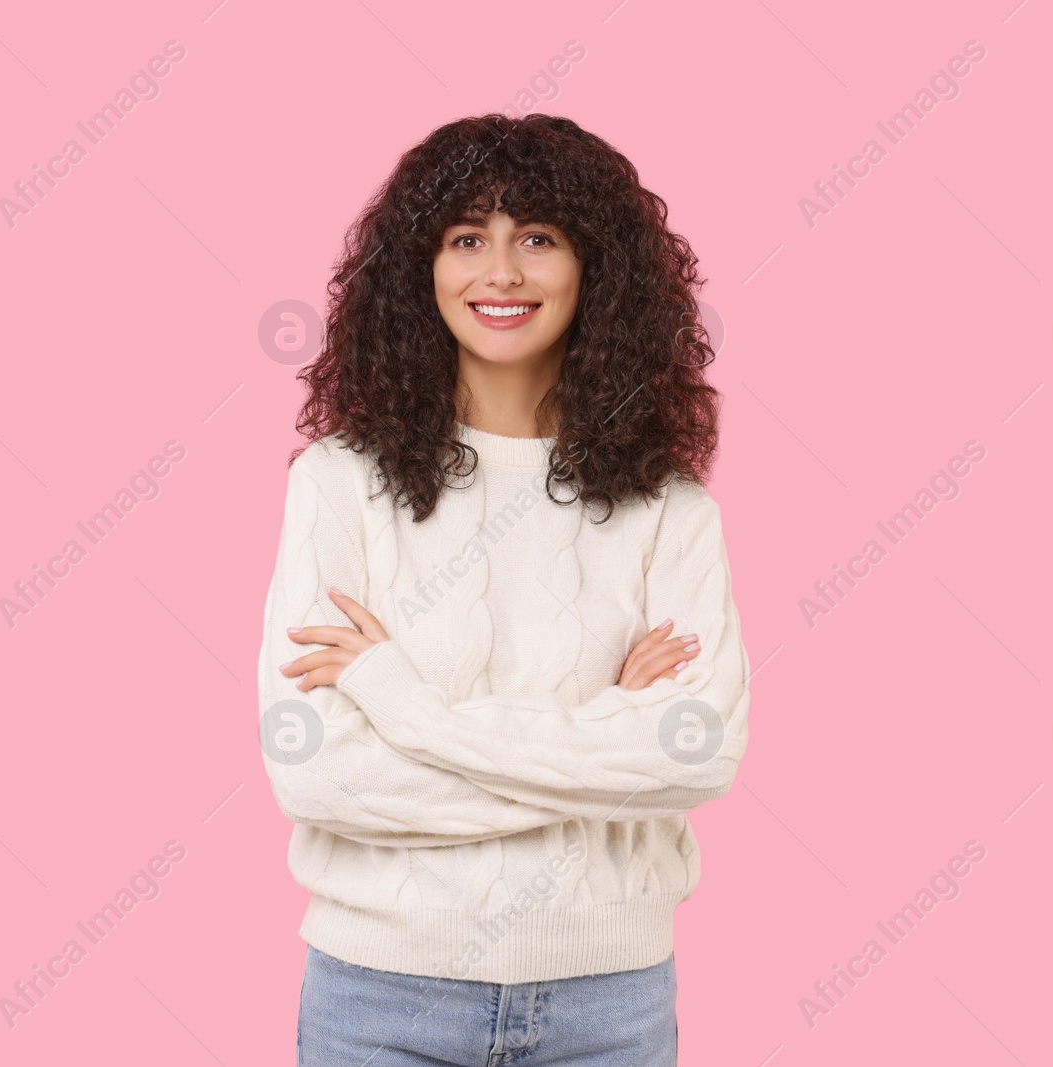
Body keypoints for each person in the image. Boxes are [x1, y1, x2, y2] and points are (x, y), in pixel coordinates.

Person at [256, 112, 751, 1066]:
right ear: (419, 268)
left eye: (539, 238)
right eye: (467, 238)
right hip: (381, 1002)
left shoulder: (670, 507)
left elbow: (696, 752)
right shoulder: (338, 482)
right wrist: (609, 731)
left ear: (594, 265)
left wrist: (401, 703)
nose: (503, 273)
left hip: (608, 1007)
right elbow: (314, 770)